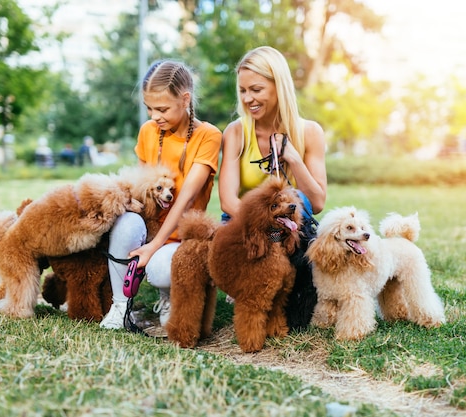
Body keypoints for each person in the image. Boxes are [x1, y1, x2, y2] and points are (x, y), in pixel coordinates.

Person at [100, 60, 222, 330]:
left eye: (162, 109)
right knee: (125, 224)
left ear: (185, 99)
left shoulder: (209, 136)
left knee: (160, 270)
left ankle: (169, 295)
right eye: (149, 108)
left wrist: (153, 247)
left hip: (180, 236)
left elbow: (187, 198)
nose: (155, 116)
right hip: (150, 225)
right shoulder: (149, 131)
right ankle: (121, 305)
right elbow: (141, 185)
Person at [218, 46, 327, 328]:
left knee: (297, 197)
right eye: (242, 91)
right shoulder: (236, 132)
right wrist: (264, 224)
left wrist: (293, 158)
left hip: (290, 230)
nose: (247, 99)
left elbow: (316, 203)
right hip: (246, 226)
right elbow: (228, 201)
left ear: (279, 86)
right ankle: (246, 281)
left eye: (256, 89)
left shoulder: (310, 132)